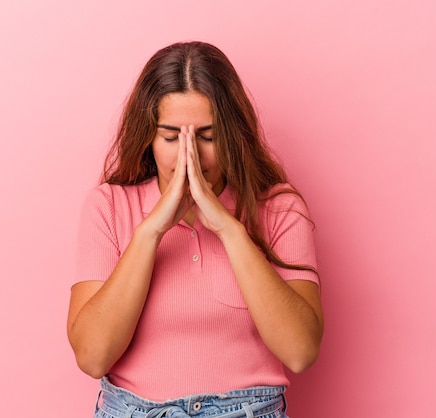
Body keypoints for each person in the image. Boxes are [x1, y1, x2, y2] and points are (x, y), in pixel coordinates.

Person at [67, 41, 324, 418]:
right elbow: (92, 357)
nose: (190, 156)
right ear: (148, 137)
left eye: (207, 137)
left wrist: (228, 228)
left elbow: (301, 352)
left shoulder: (280, 208)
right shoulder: (108, 206)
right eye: (172, 137)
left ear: (233, 136)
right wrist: (151, 230)